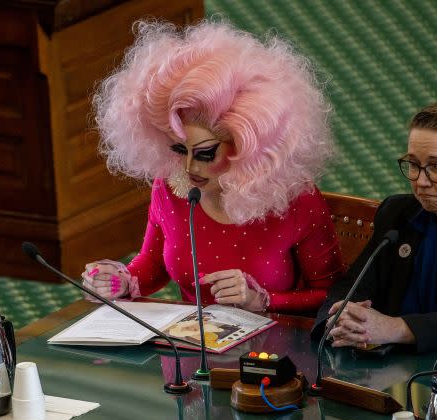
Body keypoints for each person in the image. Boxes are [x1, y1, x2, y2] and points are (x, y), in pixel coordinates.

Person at [81, 20, 344, 314]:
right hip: (192, 350)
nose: (189, 166)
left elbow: (332, 297)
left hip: (272, 352)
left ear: (247, 146)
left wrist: (263, 301)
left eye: (205, 153)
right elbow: (153, 265)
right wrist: (123, 282)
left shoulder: (296, 199)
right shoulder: (170, 186)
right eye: (179, 149)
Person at [315, 98, 437, 353]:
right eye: (413, 164)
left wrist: (396, 328)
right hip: (392, 374)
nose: (420, 181)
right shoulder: (397, 213)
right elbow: (351, 286)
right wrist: (338, 318)